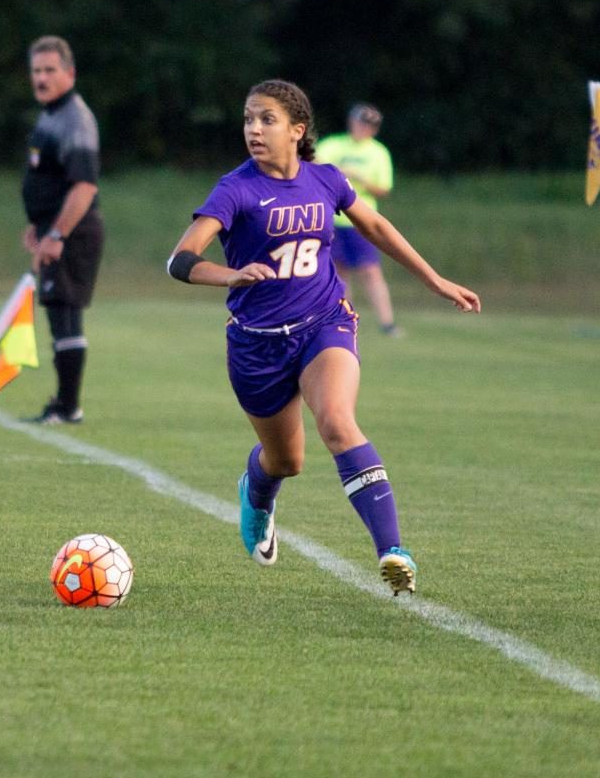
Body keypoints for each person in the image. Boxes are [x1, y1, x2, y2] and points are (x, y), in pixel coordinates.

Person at [166, 80, 480, 595]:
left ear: (298, 129)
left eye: (266, 119)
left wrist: (435, 281)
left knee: (336, 421)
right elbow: (180, 260)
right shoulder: (235, 188)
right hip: (256, 344)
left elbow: (375, 227)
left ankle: (393, 552)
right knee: (286, 461)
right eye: (248, 119)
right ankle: (258, 489)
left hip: (323, 322)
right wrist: (231, 274)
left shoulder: (326, 179)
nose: (253, 130)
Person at [20, 35, 104, 424]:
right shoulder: (50, 113)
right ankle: (64, 403)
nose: (41, 78)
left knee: (66, 313)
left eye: (50, 70)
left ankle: (69, 407)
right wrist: (37, 225)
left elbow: (84, 185)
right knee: (57, 313)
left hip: (74, 231)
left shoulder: (75, 118)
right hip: (54, 229)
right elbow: (49, 180)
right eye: (36, 70)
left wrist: (57, 234)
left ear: (69, 73)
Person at [316, 102, 401, 336]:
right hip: (332, 219)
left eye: (370, 126)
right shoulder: (333, 145)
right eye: (362, 123)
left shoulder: (378, 152)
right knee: (338, 273)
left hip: (360, 221)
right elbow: (314, 167)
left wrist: (358, 179)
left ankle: (387, 322)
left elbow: (383, 188)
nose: (365, 129)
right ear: (352, 122)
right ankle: (343, 318)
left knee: (370, 271)